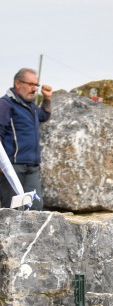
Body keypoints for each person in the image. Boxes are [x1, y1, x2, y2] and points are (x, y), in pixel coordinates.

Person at [0, 68, 52, 210]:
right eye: (31, 84)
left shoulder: (31, 106)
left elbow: (44, 116)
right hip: (12, 167)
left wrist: (47, 98)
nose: (34, 89)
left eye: (36, 85)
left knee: (35, 207)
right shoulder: (5, 104)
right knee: (12, 210)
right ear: (18, 83)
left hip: (32, 167)